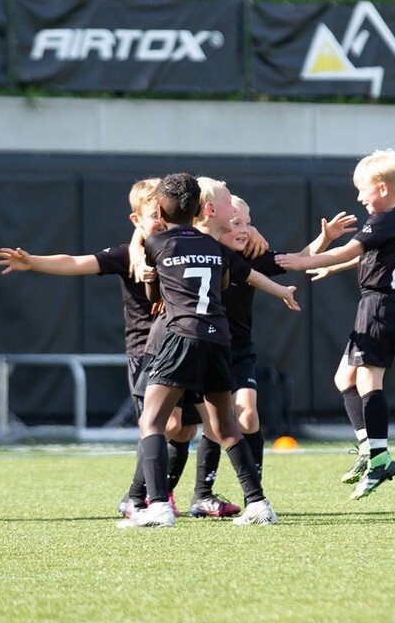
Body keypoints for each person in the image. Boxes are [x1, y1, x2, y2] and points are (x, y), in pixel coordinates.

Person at [0, 179, 197, 519]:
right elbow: (76, 263)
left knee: (185, 426)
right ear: (137, 220)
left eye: (164, 213)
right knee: (160, 422)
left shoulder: (185, 246)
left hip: (182, 343)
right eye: (152, 215)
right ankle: (139, 497)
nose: (160, 221)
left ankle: (162, 492)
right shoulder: (129, 254)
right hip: (147, 349)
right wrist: (34, 262)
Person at [123, 172, 296, 528]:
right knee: (227, 426)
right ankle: (258, 503)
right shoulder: (218, 249)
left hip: (180, 337)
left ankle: (157, 507)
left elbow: (153, 287)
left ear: (159, 208)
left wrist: (150, 274)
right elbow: (227, 281)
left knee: (151, 421)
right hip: (219, 339)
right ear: (204, 208)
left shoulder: (159, 243)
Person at [191, 194, 357, 510]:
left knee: (249, 414)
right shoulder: (202, 251)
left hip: (239, 350)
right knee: (204, 424)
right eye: (236, 222)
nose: (244, 229)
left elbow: (297, 258)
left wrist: (326, 237)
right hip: (204, 348)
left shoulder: (251, 257)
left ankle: (253, 489)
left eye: (249, 223)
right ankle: (201, 493)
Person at [275, 149, 395, 499]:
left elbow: (348, 251)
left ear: (381, 188)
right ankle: (369, 449)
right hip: (381, 304)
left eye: (362, 189)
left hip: (381, 306)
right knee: (344, 378)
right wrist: (331, 268)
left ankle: (380, 458)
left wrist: (299, 261)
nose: (358, 197)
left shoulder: (384, 218)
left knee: (369, 379)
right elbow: (370, 258)